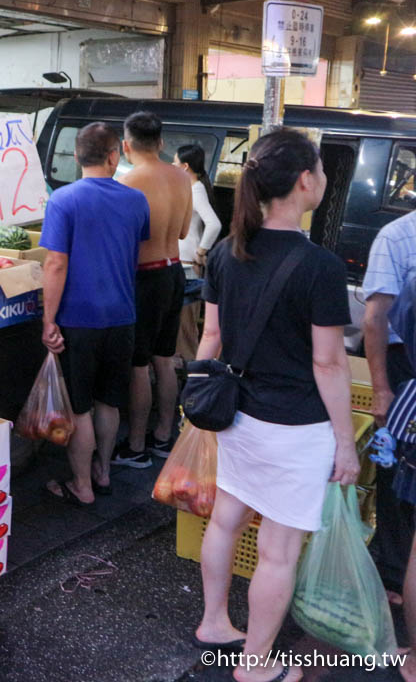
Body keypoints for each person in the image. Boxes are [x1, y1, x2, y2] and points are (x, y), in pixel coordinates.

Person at [193, 129, 359, 682]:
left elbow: (210, 338)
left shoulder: (225, 252)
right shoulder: (320, 267)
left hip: (237, 416)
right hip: (295, 427)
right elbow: (329, 365)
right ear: (306, 181)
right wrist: (344, 442)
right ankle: (256, 665)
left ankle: (215, 622)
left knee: (226, 520)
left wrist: (196, 400)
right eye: (320, 170)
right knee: (278, 551)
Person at [40, 122, 150, 505]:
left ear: (75, 156)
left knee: (80, 408)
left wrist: (48, 320)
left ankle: (82, 486)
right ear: (114, 155)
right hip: (123, 316)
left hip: (78, 319)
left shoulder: (63, 200)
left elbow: (55, 264)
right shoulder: (136, 200)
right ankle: (103, 472)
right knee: (109, 402)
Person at [112, 112, 193, 468]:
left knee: (138, 363)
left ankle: (135, 445)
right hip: (174, 272)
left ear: (126, 146)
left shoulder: (128, 183)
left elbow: (120, 242)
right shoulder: (182, 178)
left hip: (144, 278)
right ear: (161, 143)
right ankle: (163, 437)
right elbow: (183, 233)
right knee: (164, 358)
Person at [362, 209, 416, 640]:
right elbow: (375, 318)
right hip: (404, 366)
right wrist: (381, 387)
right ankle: (394, 572)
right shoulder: (397, 237)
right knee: (397, 472)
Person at [175, 144, 223, 361]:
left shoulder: (196, 189)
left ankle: (192, 375)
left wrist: (201, 251)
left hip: (187, 265)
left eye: (175, 162)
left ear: (185, 167)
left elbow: (214, 224)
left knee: (186, 327)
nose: (172, 166)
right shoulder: (190, 187)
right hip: (183, 263)